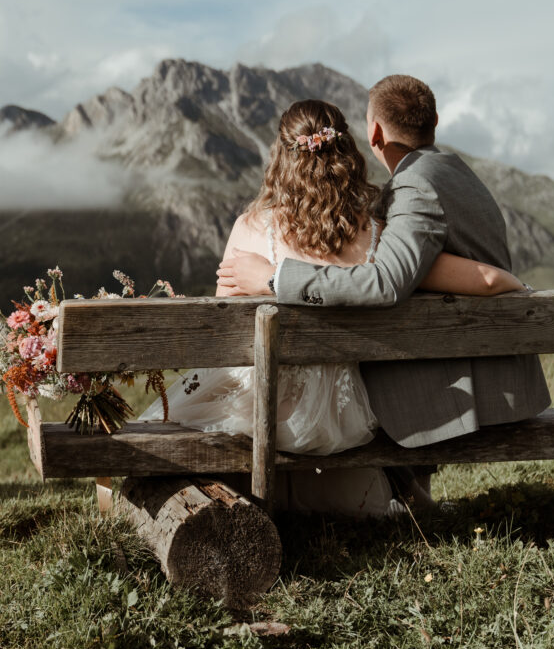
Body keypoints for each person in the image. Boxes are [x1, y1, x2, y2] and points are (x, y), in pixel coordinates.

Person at [143, 96, 529, 517]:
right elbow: (488, 279)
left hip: (253, 405)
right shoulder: (377, 236)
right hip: (335, 418)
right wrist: (516, 284)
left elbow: (219, 331)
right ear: (347, 153)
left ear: (281, 156)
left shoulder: (251, 228)